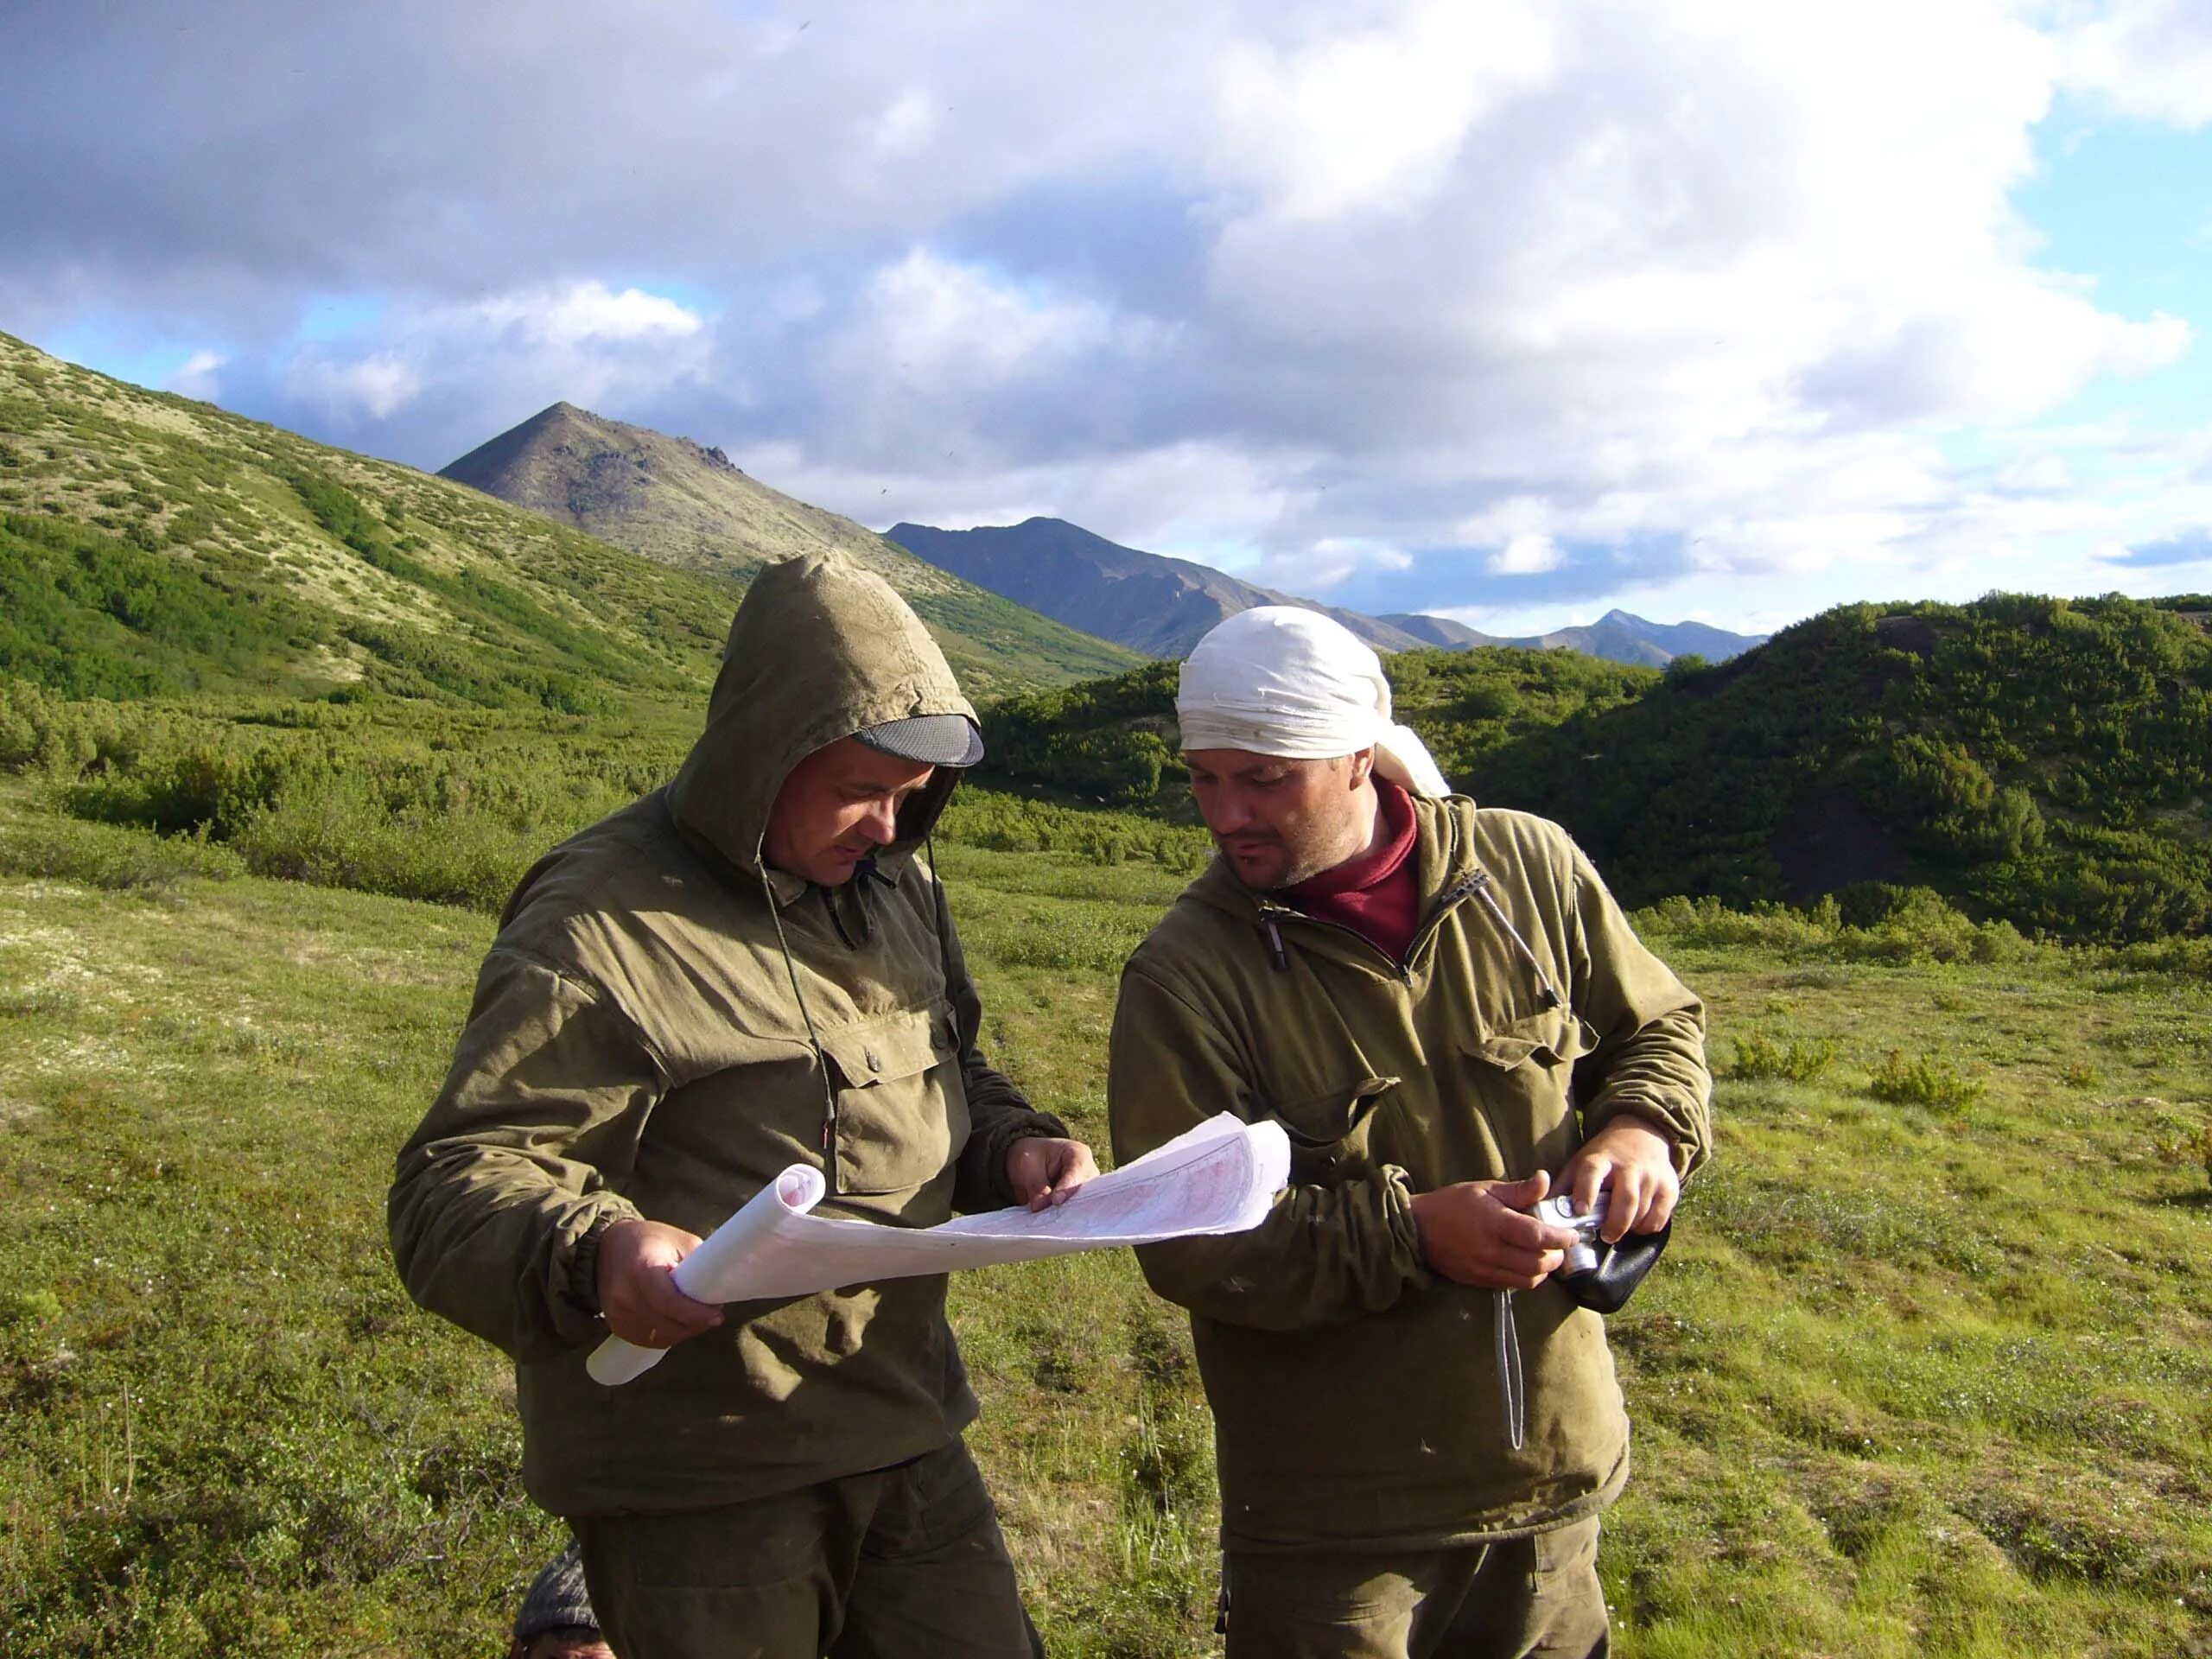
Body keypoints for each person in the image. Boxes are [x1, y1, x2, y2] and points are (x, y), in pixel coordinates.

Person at [391, 552, 1096, 1659]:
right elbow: (454, 1185)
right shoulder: (599, 921)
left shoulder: (896, 883)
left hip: (903, 1416)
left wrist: (1014, 1144)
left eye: (911, 798)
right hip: (704, 1474)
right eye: (859, 791)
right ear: (764, 760)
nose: (887, 827)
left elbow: (950, 1062)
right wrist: (599, 1252)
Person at [1107, 607, 1712, 1659]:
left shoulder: (1526, 870)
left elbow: (1656, 1024)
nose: (1224, 814)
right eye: (1204, 778)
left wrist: (1641, 1128)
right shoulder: (1185, 977)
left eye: (1261, 780)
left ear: (1355, 758)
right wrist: (1413, 1235)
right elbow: (1185, 1240)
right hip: (1337, 1530)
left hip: (1551, 1481)